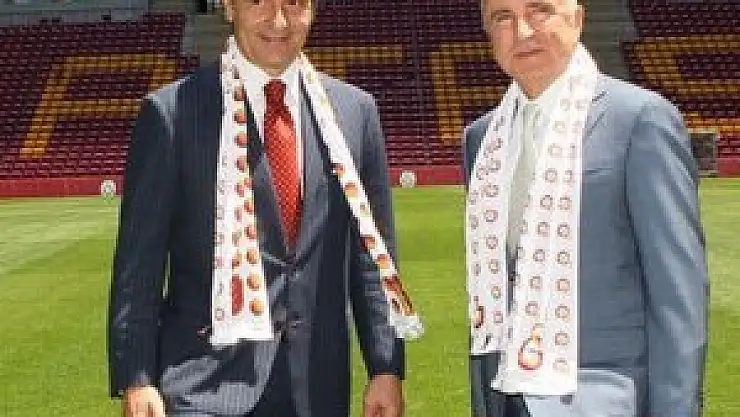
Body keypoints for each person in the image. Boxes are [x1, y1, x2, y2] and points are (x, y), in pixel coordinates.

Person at [108, 1, 422, 416]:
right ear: (228, 7)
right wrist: (137, 377)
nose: (278, 20)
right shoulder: (172, 114)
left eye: (294, 3)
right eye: (259, 1)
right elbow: (139, 264)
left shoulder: (355, 112)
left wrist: (385, 367)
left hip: (317, 389)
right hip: (204, 385)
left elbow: (372, 256)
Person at [462, 1, 708, 416]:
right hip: (505, 394)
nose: (522, 31)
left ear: (576, 18)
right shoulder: (482, 139)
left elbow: (677, 292)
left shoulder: (640, 120)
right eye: (502, 17)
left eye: (539, 10)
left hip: (606, 396)